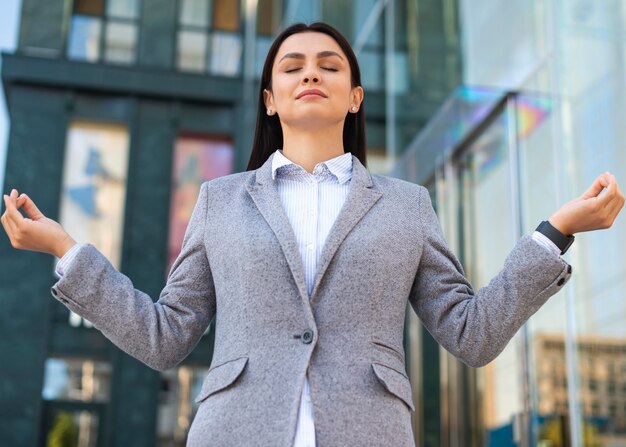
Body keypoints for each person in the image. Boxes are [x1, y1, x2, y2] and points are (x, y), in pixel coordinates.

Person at [1, 22, 624, 447]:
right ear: (270, 99)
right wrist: (66, 251)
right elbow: (167, 338)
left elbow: (472, 333)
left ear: (354, 96)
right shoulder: (220, 200)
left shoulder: (408, 206)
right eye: (292, 66)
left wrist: (557, 231)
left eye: (330, 66)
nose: (311, 74)